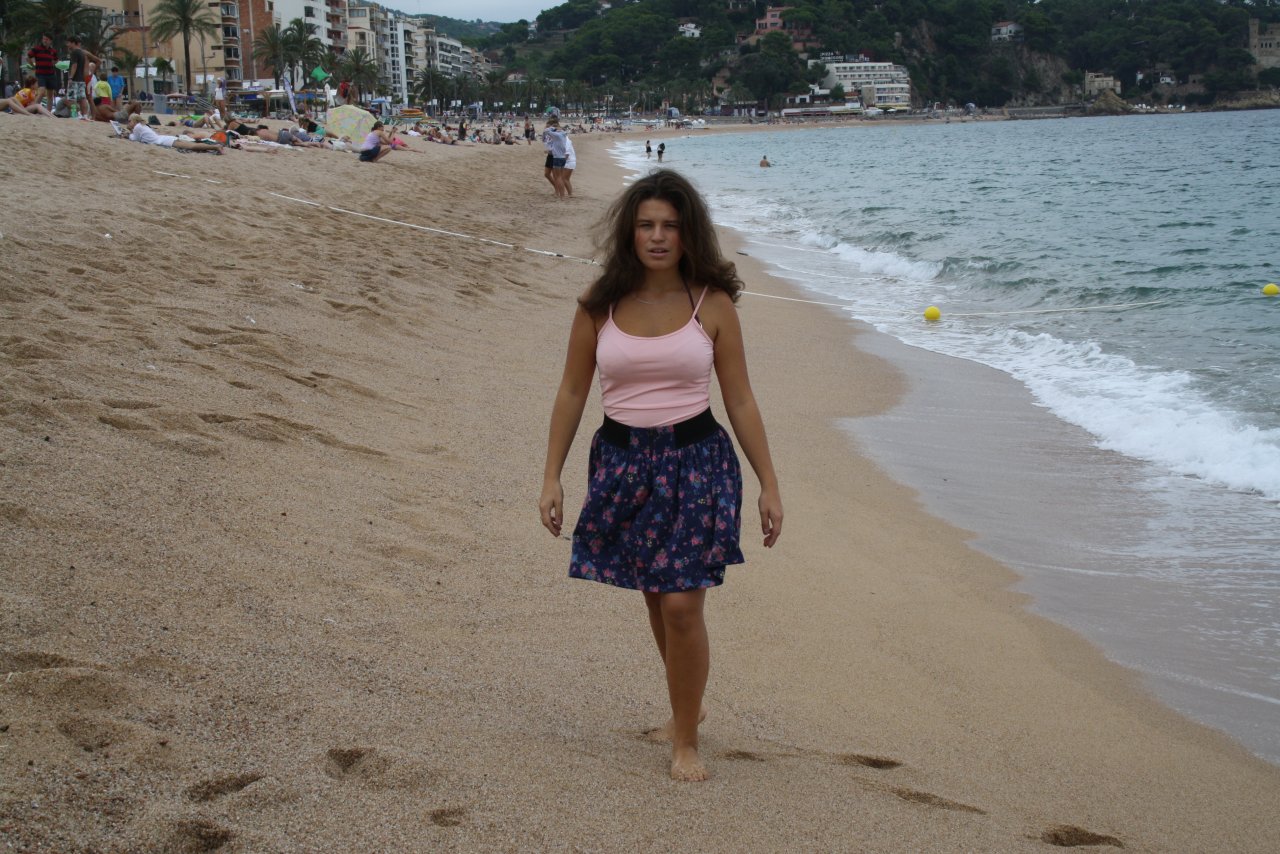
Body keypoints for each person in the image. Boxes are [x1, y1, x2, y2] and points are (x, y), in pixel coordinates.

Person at [539, 169, 783, 783]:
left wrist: (769, 484)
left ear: (688, 233)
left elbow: (741, 399)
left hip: (696, 464)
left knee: (680, 604)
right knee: (656, 596)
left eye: (670, 226)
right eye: (646, 225)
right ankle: (683, 709)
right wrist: (551, 476)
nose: (656, 236)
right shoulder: (599, 304)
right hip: (623, 464)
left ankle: (687, 740)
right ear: (630, 231)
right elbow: (572, 392)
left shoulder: (711, 304)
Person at [126, 114, 223, 153]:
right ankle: (215, 147)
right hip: (164, 139)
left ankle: (216, 147)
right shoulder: (141, 126)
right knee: (191, 146)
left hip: (165, 141)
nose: (128, 123)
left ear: (134, 121)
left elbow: (134, 138)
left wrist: (128, 133)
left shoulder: (138, 127)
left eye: (129, 121)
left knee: (191, 146)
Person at [65, 37, 100, 120]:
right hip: (82, 79)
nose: (67, 45)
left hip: (84, 78)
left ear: (75, 43)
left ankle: (81, 115)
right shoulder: (81, 53)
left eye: (69, 43)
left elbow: (98, 61)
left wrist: (91, 73)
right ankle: (84, 115)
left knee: (85, 98)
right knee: (83, 98)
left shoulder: (81, 52)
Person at [541, 116, 569, 198]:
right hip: (550, 155)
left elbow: (558, 143)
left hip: (555, 155)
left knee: (556, 176)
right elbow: (544, 140)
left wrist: (552, 128)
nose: (546, 126)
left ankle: (558, 191)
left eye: (547, 125)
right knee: (547, 174)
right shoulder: (549, 133)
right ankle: (557, 189)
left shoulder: (556, 133)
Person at [561, 133, 577, 198]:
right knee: (565, 179)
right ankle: (569, 193)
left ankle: (570, 194)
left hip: (569, 161)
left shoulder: (566, 141)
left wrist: (562, 163)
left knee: (565, 178)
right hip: (570, 161)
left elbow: (567, 154)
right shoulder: (565, 140)